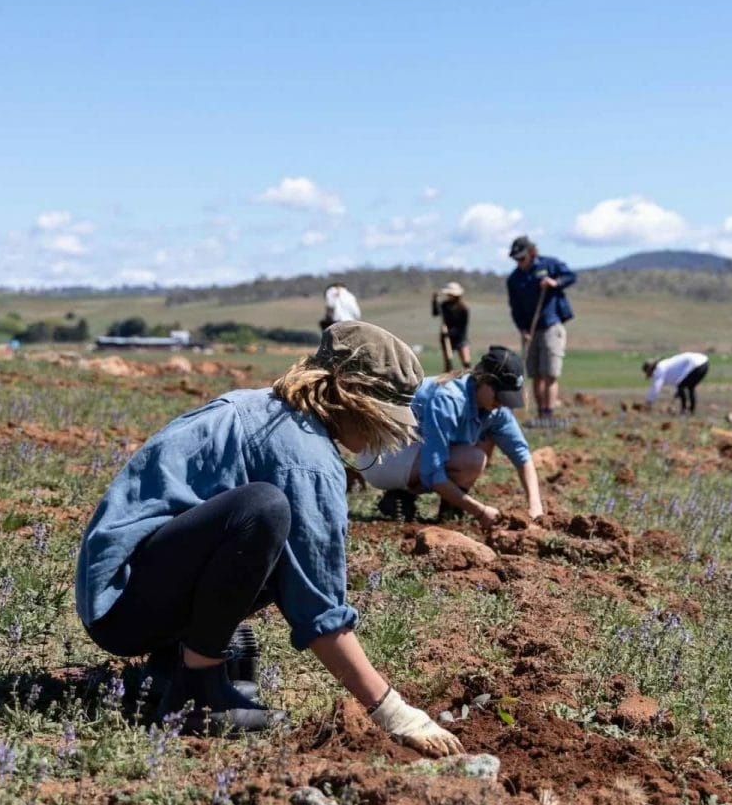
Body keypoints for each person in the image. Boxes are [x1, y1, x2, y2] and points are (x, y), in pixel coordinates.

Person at [74, 321, 462, 754]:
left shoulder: (273, 410)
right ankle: (198, 695)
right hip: (121, 602)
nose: (385, 436)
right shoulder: (303, 455)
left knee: (265, 528)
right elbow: (317, 607)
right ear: (355, 401)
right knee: (263, 510)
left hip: (124, 585)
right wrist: (392, 710)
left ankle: (175, 667)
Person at [357, 345, 543, 528]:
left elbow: (522, 455)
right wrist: (479, 511)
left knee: (476, 454)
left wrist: (536, 507)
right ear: (484, 381)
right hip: (379, 456)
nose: (502, 403)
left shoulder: (497, 409)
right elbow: (433, 472)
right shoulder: (448, 399)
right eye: (500, 395)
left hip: (409, 454)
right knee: (472, 459)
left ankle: (444, 507)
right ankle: (402, 496)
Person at [506, 236, 577, 420]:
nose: (519, 262)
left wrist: (555, 283)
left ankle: (549, 413)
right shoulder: (514, 279)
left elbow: (571, 276)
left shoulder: (549, 265)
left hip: (551, 325)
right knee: (536, 373)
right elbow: (515, 308)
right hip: (530, 330)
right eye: (516, 259)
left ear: (531, 253)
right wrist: (523, 329)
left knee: (550, 372)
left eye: (522, 258)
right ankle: (540, 414)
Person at [643, 351, 710, 415]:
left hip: (696, 364)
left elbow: (656, 387)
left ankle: (684, 410)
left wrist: (649, 402)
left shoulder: (660, 368)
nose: (652, 376)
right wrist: (679, 392)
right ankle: (691, 411)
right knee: (690, 386)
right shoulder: (666, 363)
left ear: (650, 370)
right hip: (704, 363)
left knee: (681, 385)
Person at [432, 282, 471, 372]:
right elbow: (435, 313)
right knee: (448, 365)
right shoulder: (444, 305)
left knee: (466, 363)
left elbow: (462, 326)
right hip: (446, 338)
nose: (448, 295)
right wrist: (434, 301)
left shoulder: (463, 308)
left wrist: (450, 332)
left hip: (460, 338)